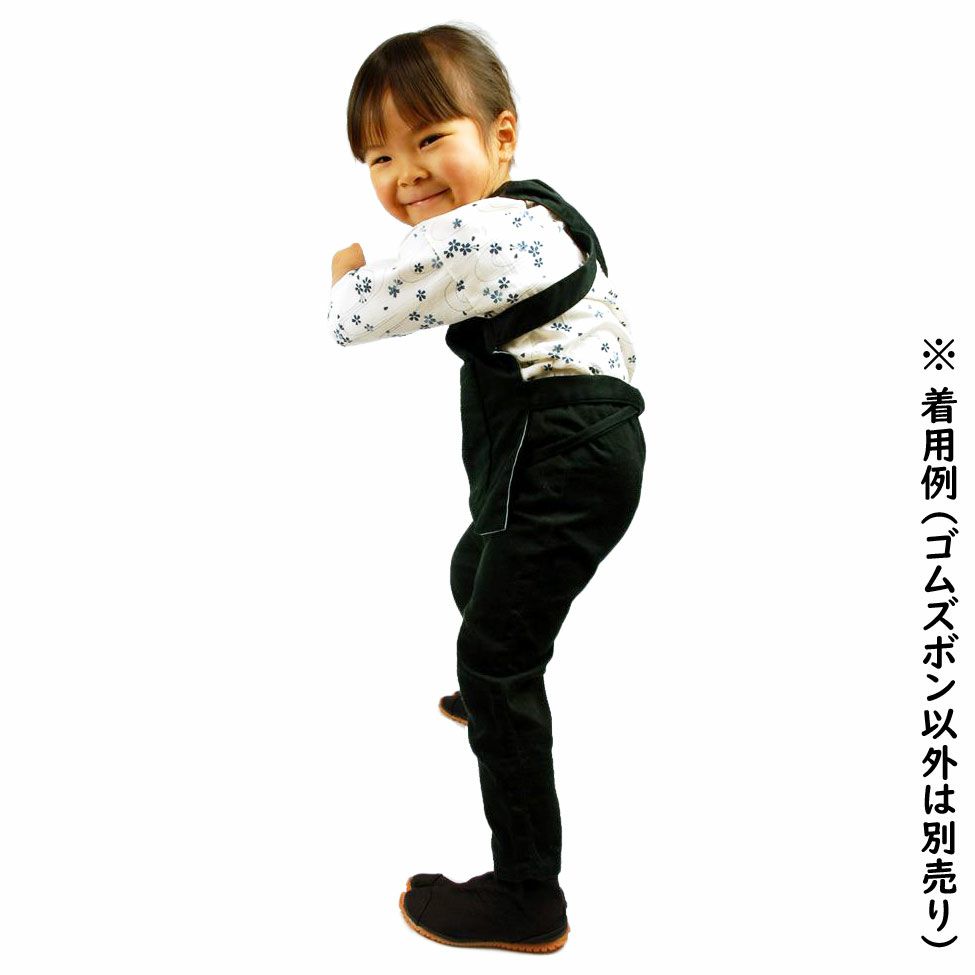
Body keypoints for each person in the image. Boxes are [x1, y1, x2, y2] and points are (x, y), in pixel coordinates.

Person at [328, 23, 646, 953]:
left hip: (556, 447)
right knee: (478, 566)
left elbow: (353, 316)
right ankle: (492, 675)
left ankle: (525, 896)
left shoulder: (482, 228)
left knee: (497, 657)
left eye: (430, 138)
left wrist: (345, 270)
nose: (406, 174)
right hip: (587, 444)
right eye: (379, 157)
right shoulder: (540, 215)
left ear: (501, 135)